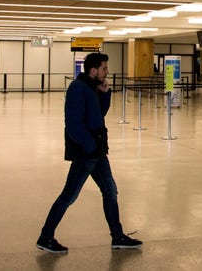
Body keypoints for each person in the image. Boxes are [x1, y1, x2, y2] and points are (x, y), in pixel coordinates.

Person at [37, 52, 142, 254]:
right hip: (87, 153)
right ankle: (46, 236)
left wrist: (105, 93)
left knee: (110, 191)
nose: (107, 72)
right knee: (69, 196)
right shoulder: (77, 88)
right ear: (93, 70)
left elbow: (98, 114)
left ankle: (117, 236)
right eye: (104, 68)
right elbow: (73, 124)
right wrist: (90, 146)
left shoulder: (92, 87)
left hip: (97, 152)